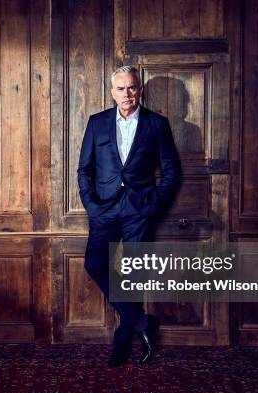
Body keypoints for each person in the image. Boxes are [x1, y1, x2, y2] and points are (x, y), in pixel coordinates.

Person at [77, 66, 182, 367]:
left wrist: (156, 204)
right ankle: (142, 322)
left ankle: (121, 344)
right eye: (121, 89)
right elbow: (84, 169)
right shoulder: (97, 123)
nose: (127, 94)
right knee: (95, 263)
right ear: (112, 93)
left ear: (140, 90)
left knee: (132, 277)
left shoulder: (156, 124)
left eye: (132, 88)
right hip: (105, 209)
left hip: (140, 209)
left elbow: (171, 169)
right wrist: (92, 205)